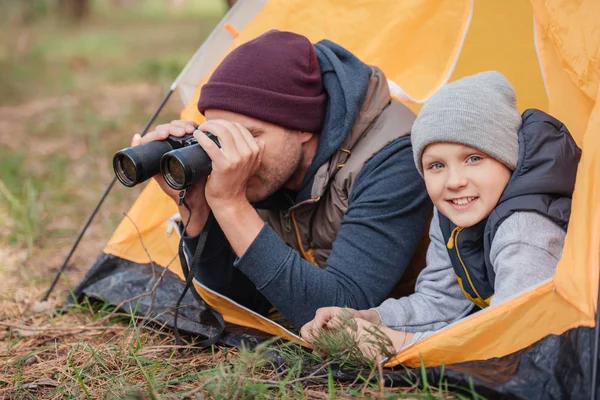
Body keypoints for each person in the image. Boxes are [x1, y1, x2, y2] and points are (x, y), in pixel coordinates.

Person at [132, 30, 432, 329]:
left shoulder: (393, 158)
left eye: (249, 135)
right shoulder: (272, 167)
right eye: (217, 135)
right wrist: (197, 209)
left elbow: (340, 314)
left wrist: (231, 204)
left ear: (304, 126)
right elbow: (248, 303)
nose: (236, 153)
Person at [300, 71, 581, 355]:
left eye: (474, 158)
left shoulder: (524, 231)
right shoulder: (454, 212)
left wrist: (392, 343)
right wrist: (370, 318)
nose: (454, 181)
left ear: (508, 157)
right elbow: (439, 301)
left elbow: (513, 342)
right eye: (436, 166)